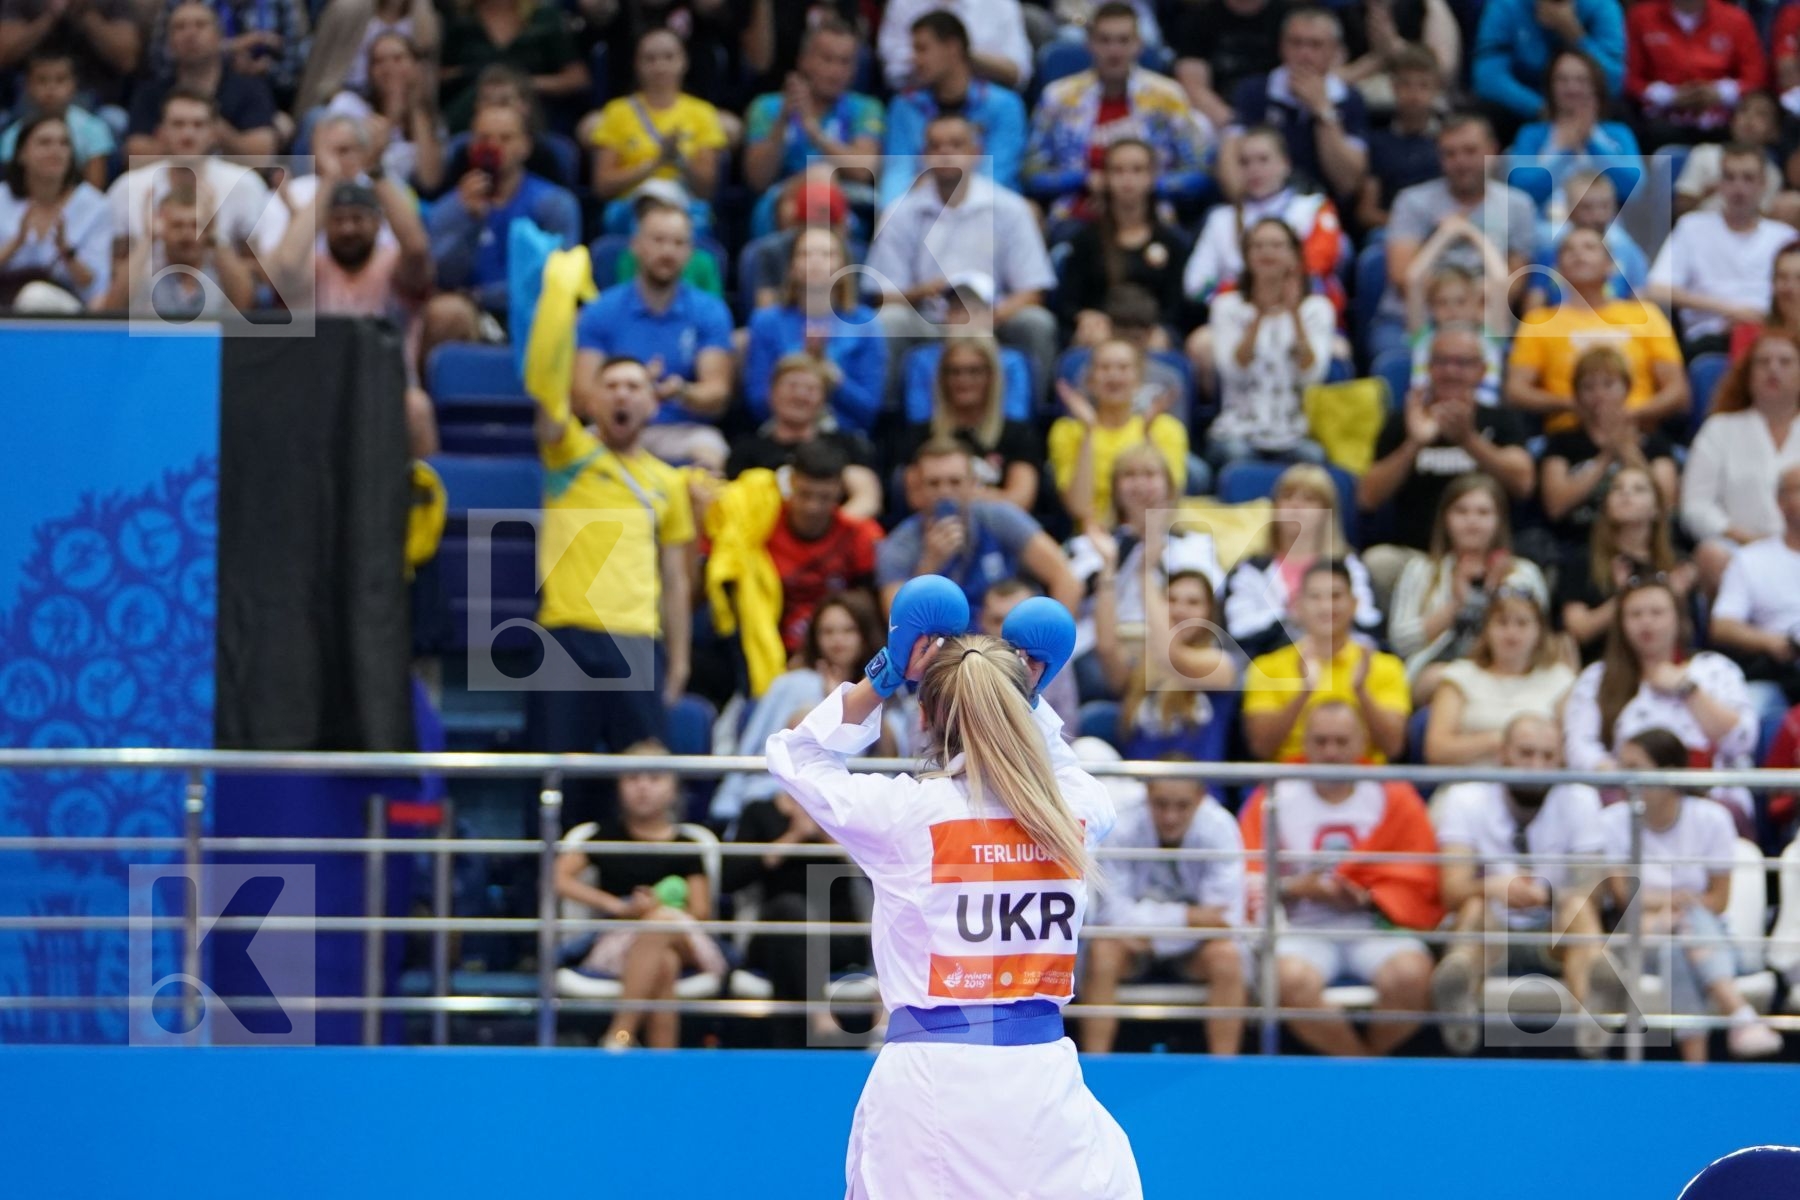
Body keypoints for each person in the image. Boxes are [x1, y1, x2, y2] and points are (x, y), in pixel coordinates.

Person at [763, 586, 1143, 1198]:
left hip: (929, 1086)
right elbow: (1062, 765)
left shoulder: (905, 816)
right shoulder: (1075, 811)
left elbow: (797, 757)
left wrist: (884, 673)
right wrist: (1028, 696)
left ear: (926, 717)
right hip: (1041, 1081)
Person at [527, 356, 694, 812]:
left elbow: (676, 579)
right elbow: (547, 407)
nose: (623, 394)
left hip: (638, 640)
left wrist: (678, 662)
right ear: (593, 401)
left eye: (634, 386)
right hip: (565, 634)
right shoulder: (566, 454)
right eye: (612, 385)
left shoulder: (669, 481)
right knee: (555, 781)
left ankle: (642, 879)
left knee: (648, 783)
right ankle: (544, 881)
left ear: (652, 404)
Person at [1239, 702, 1441, 1056]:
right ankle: (1363, 1072)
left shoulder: (1393, 796)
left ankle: (1360, 1072)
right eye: (1321, 741)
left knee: (1413, 975)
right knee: (1287, 979)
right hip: (1301, 928)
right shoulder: (1272, 797)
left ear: (1362, 744)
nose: (1331, 751)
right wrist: (1293, 889)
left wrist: (1372, 896)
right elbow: (1244, 876)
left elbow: (1419, 873)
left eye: (1341, 741)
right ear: (1305, 744)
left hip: (1373, 926)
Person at [1593, 728, 1783, 1061]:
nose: (1626, 778)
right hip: (1640, 937)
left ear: (1669, 772)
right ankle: (1739, 1015)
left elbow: (1719, 901)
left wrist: (1673, 911)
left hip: (1708, 937)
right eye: (1623, 766)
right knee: (1680, 927)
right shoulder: (1611, 821)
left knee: (1677, 945)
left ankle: (1695, 1071)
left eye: (1636, 767)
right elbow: (1626, 898)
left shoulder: (1712, 818)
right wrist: (1677, 902)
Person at [1428, 713, 1605, 1055]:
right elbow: (1452, 890)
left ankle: (1593, 1019)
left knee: (1577, 907)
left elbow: (1593, 893)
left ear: (1561, 760)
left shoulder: (1581, 799)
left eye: (1547, 756)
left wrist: (1548, 895)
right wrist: (1494, 887)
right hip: (1491, 934)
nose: (1536, 766)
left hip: (1555, 935)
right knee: (1474, 906)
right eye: (1525, 753)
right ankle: (1459, 997)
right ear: (1503, 755)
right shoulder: (1465, 798)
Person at [866, 114, 1058, 400]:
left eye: (955, 145)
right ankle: (887, 416)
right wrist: (922, 291)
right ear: (923, 156)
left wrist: (991, 316)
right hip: (929, 321)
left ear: (976, 154)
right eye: (935, 146)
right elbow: (882, 296)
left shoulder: (1010, 208)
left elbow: (1032, 290)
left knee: (1036, 322)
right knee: (889, 321)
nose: (944, 153)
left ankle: (1033, 415)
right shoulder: (900, 212)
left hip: (995, 319)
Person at [552, 739, 725, 1050]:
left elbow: (701, 912)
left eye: (654, 779)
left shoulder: (687, 844)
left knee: (660, 924)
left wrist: (659, 908)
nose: (643, 787)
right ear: (620, 786)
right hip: (620, 941)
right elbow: (557, 877)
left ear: (672, 789)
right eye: (633, 778)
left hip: (683, 936)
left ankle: (619, 1034)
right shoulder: (605, 836)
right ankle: (662, 1070)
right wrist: (618, 906)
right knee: (664, 965)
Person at [1083, 762, 1248, 1056]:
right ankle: (1095, 1072)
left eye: (1182, 806)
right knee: (1102, 952)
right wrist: (1189, 917)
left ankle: (1225, 1076)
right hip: (1133, 949)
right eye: (1161, 805)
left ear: (1200, 798)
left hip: (1189, 951)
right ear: (1147, 794)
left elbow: (1225, 920)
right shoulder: (1120, 824)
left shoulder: (1220, 827)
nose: (1170, 817)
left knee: (1227, 957)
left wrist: (1149, 929)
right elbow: (1111, 915)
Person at [1564, 579, 1757, 828]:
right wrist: (1627, 777)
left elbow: (1743, 739)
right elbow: (1579, 747)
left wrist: (1689, 691)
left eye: (1657, 612)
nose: (1646, 622)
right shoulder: (1598, 677)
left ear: (1678, 618)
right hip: (1625, 800)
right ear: (1621, 623)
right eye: (1635, 614)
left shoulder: (1715, 668)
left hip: (1709, 798)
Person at [572, 199, 733, 472]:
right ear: (636, 245)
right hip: (612, 428)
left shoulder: (710, 311)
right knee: (576, 455)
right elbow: (583, 395)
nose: (667, 251)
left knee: (711, 454)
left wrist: (681, 391)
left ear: (690, 252)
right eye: (658, 240)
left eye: (678, 243)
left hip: (680, 430)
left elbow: (717, 393)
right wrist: (632, 393)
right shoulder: (600, 310)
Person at [1358, 324, 1536, 567]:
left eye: (1462, 363)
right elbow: (1368, 497)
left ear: (1482, 370)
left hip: (1489, 558)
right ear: (1429, 368)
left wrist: (1469, 440)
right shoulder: (1402, 421)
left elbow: (1523, 483)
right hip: (1417, 557)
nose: (1451, 371)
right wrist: (1414, 443)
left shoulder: (1501, 419)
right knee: (1377, 562)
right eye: (1441, 362)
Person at [712, 591, 896, 823]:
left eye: (848, 630)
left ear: (864, 634)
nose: (838, 640)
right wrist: (730, 799)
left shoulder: (886, 685)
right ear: (815, 637)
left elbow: (895, 753)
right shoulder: (790, 684)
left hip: (856, 806)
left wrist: (845, 704)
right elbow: (756, 744)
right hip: (779, 797)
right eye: (828, 631)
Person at [1021, 3, 1212, 221]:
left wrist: (1144, 183)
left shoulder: (1168, 97)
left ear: (1138, 45)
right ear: (1089, 44)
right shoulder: (1058, 97)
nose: (1114, 51)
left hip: (1152, 213)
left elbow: (1200, 172)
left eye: (1123, 41)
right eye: (1105, 40)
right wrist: (1084, 180)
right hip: (1076, 213)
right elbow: (1031, 173)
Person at [1374, 114, 1539, 362]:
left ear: (1492, 151)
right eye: (1449, 154)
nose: (1460, 162)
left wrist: (1470, 306)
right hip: (1414, 318)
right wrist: (1454, 301)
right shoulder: (1411, 201)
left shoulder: (1518, 206)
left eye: (1470, 151)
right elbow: (1402, 276)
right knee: (1395, 359)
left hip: (1484, 318)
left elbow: (1516, 280)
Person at [1507, 224, 1698, 434]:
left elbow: (1678, 393)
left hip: (1638, 430)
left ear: (1611, 266)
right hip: (1568, 433)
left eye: (1589, 247)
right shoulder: (1539, 321)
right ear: (1558, 269)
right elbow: (1516, 390)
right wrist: (1572, 405)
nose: (1578, 254)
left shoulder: (1646, 315)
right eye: (1569, 250)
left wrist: (1631, 414)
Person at [1388, 472, 1549, 703]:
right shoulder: (1421, 569)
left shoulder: (1523, 573)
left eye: (1483, 512)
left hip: (1509, 672)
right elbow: (1401, 642)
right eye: (1461, 511)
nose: (1472, 521)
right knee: (1443, 679)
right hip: (1439, 672)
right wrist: (1455, 605)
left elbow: (1538, 639)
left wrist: (1495, 593)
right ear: (1445, 518)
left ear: (1499, 520)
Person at [876, 438, 1080, 615]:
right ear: (918, 489)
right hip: (944, 654)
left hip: (1007, 648)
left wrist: (1051, 651)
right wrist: (929, 565)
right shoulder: (899, 545)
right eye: (934, 483)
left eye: (955, 482)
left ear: (973, 484)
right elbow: (897, 622)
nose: (945, 492)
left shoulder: (1000, 517)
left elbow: (1066, 579)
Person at [1198, 216, 1335, 473]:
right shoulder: (1227, 307)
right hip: (1238, 429)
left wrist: (1294, 315)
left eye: (1276, 245)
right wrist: (1259, 315)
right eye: (1258, 246)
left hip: (1295, 430)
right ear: (1246, 256)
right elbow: (1234, 373)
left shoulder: (1317, 309)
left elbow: (1311, 376)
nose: (1267, 252)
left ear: (1295, 255)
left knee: (1314, 458)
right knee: (1234, 455)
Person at [1242, 560, 1410, 763]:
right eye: (1315, 597)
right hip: (1290, 777)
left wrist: (1361, 691)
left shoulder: (1386, 667)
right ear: (1297, 606)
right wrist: (1303, 693)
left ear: (1355, 604)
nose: (1326, 606)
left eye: (1336, 596)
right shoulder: (1266, 668)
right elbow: (1261, 748)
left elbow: (1393, 747)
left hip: (1365, 777)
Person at [426, 100, 580, 315]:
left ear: (526, 146)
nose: (493, 146)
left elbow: (557, 277)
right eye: (484, 138)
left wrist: (483, 297)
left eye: (505, 138)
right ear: (471, 147)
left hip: (533, 313)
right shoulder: (448, 208)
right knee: (444, 313)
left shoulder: (554, 204)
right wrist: (469, 220)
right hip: (469, 315)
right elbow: (442, 278)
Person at [1221, 462, 1381, 659]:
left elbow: (1369, 626)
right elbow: (1238, 632)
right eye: (1287, 496)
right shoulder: (1250, 570)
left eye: (1309, 499)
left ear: (1327, 512)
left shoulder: (1350, 566)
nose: (1295, 505)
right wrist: (1290, 620)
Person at [1538, 346, 1682, 566]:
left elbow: (1665, 504)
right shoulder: (1561, 442)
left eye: (1608, 384)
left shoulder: (1654, 442)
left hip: (1642, 543)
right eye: (1588, 387)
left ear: (1627, 388)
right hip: (1577, 544)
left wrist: (1626, 450)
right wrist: (1605, 458)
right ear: (1577, 395)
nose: (1599, 395)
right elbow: (1556, 506)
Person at [1647, 143, 1795, 355]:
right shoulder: (1692, 227)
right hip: (1710, 338)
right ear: (1719, 184)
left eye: (1748, 178)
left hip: (1772, 336)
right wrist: (1733, 311)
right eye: (1729, 177)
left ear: (1763, 184)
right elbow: (1657, 289)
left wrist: (1764, 319)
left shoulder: (1783, 236)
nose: (1738, 188)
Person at [1682, 331, 1800, 593]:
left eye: (1785, 361)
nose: (1773, 369)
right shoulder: (1719, 429)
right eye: (1763, 361)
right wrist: (1744, 538)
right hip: (1739, 550)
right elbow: (1696, 506)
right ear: (1747, 373)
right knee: (1711, 555)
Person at [1181, 124, 1344, 310]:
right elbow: (1195, 285)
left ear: (1285, 164)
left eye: (1263, 159)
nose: (1254, 169)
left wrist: (1262, 289)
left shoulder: (1313, 207)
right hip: (1241, 318)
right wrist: (1245, 294)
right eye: (1244, 162)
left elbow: (1317, 267)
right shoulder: (1221, 219)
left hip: (1301, 313)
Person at [742, 227, 885, 436]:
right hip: (781, 433)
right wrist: (796, 377)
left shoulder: (865, 325)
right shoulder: (766, 322)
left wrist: (832, 377)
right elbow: (756, 402)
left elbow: (869, 411)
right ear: (791, 267)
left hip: (843, 437)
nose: (815, 261)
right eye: (805, 254)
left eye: (827, 254)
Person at [879, 10, 1028, 209]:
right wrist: (893, 213)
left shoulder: (1005, 105)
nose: (914, 59)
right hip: (920, 211)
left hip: (988, 212)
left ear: (952, 48)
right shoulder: (904, 106)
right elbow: (897, 173)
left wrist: (946, 196)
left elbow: (998, 173)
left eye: (922, 49)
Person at [1220, 7, 1369, 204]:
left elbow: (1347, 182)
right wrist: (1246, 211)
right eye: (1296, 43)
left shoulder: (1349, 100)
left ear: (1334, 50)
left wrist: (1323, 111)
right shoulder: (1254, 91)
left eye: (1315, 45)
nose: (1304, 54)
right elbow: (1229, 158)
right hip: (1258, 210)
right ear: (1282, 46)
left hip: (1325, 212)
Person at [1054, 139, 1194, 342]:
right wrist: (1084, 315)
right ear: (1104, 178)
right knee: (1093, 336)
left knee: (1158, 340)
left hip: (1152, 329)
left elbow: (1179, 307)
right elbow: (1068, 303)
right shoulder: (1084, 239)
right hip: (1102, 328)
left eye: (1137, 170)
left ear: (1152, 176)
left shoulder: (1173, 242)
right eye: (1118, 170)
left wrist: (1155, 327)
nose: (1127, 179)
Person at [1100, 564, 1241, 762]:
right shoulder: (1143, 667)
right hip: (1139, 787)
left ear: (1210, 612)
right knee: (1089, 750)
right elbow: (1106, 648)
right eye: (1170, 600)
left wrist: (1145, 572)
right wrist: (1108, 569)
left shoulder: (1222, 664)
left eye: (1193, 602)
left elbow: (1175, 659)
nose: (1179, 610)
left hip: (1196, 789)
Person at [1558, 463, 1694, 661]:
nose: (1626, 494)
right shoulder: (1583, 559)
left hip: (1666, 663)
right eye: (1617, 488)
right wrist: (1624, 599)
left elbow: (1688, 635)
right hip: (1604, 663)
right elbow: (1579, 630)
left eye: (1638, 489)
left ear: (1657, 508)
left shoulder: (1676, 564)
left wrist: (1675, 599)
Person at [1048, 339, 1188, 530]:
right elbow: (1078, 508)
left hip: (1152, 534)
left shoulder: (1166, 428)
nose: (1113, 375)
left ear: (1138, 380)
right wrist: (1088, 432)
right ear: (1090, 380)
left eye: (1123, 368)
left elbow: (1168, 504)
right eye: (1104, 368)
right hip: (1093, 540)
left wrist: (1147, 435)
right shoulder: (1068, 430)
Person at [587, 29, 724, 224]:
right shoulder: (616, 112)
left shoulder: (703, 113)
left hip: (684, 204)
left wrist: (679, 161)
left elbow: (707, 189)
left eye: (669, 57)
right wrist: (653, 165)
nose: (660, 66)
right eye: (650, 59)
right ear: (637, 64)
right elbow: (602, 186)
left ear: (684, 62)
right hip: (630, 205)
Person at [1423, 591, 1576, 766]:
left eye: (1522, 623)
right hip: (1470, 783)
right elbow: (1436, 750)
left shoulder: (1561, 679)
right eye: (1502, 623)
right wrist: (1498, 741)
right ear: (1486, 630)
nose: (1511, 633)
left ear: (1539, 631)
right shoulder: (1459, 676)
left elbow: (1573, 748)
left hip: (1538, 785)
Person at [741, 16, 883, 198]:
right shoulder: (766, 107)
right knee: (821, 177)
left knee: (823, 178)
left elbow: (863, 172)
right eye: (827, 59)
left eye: (845, 62)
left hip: (846, 205)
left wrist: (814, 131)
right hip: (780, 202)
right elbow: (758, 180)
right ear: (804, 60)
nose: (836, 71)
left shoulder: (867, 108)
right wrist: (783, 119)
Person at [896, 336, 1041, 513]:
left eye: (974, 371)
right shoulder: (921, 433)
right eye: (954, 371)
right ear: (942, 378)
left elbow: (1020, 500)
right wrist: (989, 496)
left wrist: (954, 495)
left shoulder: (1018, 434)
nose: (963, 379)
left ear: (991, 376)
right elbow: (917, 498)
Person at [726, 356, 881, 521]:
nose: (800, 395)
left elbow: (867, 499)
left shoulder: (847, 446)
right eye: (792, 386)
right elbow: (734, 506)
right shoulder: (745, 451)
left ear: (824, 400)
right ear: (771, 393)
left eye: (811, 389)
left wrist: (824, 533)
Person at [125, 2, 278, 158]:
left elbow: (263, 155)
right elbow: (134, 155)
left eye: (200, 25)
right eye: (180, 27)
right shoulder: (150, 93)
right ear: (169, 42)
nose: (190, 34)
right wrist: (180, 138)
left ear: (220, 37)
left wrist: (218, 132)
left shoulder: (250, 88)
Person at [1708, 464, 1800, 711]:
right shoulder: (1751, 559)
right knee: (1751, 708)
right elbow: (1722, 625)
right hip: (1781, 669)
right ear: (1780, 501)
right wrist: (1771, 642)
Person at [316, 30, 446, 193]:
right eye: (379, 61)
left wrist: (416, 108)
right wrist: (392, 114)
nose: (388, 68)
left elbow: (430, 181)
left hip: (403, 202)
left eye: (398, 59)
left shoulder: (430, 121)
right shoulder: (350, 104)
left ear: (416, 66)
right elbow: (356, 166)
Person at [0, 113, 110, 308]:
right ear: (21, 153)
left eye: (64, 143)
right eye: (44, 143)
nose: (56, 151)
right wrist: (16, 243)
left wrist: (66, 251)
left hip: (66, 311)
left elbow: (96, 287)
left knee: (35, 297)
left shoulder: (94, 206)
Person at [1624, 0, 1767, 146]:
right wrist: (1670, 96)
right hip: (1660, 121)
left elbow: (1755, 78)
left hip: (1721, 121)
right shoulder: (1641, 17)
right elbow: (1630, 78)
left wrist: (1719, 93)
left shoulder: (1736, 19)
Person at [1506, 48, 1641, 198]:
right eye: (1562, 80)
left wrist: (1591, 143)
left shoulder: (1618, 134)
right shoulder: (1531, 135)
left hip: (1604, 220)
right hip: (1547, 220)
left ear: (1596, 86)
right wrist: (1566, 151)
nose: (1572, 88)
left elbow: (1635, 188)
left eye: (1581, 80)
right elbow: (1521, 191)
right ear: (1550, 87)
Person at [1471, 0, 1625, 128]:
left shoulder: (1603, 7)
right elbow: (1488, 77)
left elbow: (1613, 81)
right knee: (1487, 111)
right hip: (1527, 104)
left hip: (1584, 104)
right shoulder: (1505, 6)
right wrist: (1540, 108)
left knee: (1620, 111)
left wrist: (1575, 35)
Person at [438, 0, 586, 133]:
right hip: (469, 113)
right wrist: (467, 74)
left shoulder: (545, 18)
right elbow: (437, 74)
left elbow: (577, 78)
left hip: (530, 112)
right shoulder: (458, 19)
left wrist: (523, 83)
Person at [1355, 45, 1447, 233]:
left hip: (1443, 229)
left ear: (1436, 89)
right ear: (1393, 87)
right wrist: (1408, 225)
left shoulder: (1449, 142)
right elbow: (1366, 212)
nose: (1414, 94)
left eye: (1423, 85)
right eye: (1406, 84)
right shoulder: (1377, 143)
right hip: (1391, 230)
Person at [295, 0, 441, 116]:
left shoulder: (425, 21)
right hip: (341, 98)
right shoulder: (347, 8)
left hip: (402, 104)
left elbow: (426, 91)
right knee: (317, 118)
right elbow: (318, 73)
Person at [0, 50, 113, 187]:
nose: (51, 88)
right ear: (28, 86)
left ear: (74, 85)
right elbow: (11, 186)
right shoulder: (13, 135)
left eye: (60, 80)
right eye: (42, 80)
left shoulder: (94, 128)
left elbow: (95, 187)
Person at [0, 0, 141, 109]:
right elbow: (4, 54)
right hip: (31, 94)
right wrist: (50, 15)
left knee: (115, 118)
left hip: (96, 96)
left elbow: (127, 61)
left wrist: (84, 13)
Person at [1170, 0, 1286, 131]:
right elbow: (1193, 86)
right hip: (1217, 117)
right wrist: (1234, 123)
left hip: (1275, 114)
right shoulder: (1199, 19)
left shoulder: (1286, 17)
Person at [876, 0, 1032, 93]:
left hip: (987, 99)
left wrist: (960, 54)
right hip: (919, 98)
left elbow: (1019, 73)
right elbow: (892, 70)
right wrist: (934, 55)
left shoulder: (1000, 4)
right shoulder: (903, 3)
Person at [1674, 91, 1786, 219]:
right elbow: (1680, 211)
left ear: (1775, 131)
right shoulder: (1704, 154)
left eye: (1761, 114)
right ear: (1732, 120)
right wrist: (1709, 192)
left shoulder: (1772, 173)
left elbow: (1762, 222)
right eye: (1743, 110)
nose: (1749, 119)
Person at [1731, 241, 1800, 360]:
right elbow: (1741, 378)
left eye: (1799, 278)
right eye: (1782, 277)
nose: (1789, 287)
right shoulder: (1750, 332)